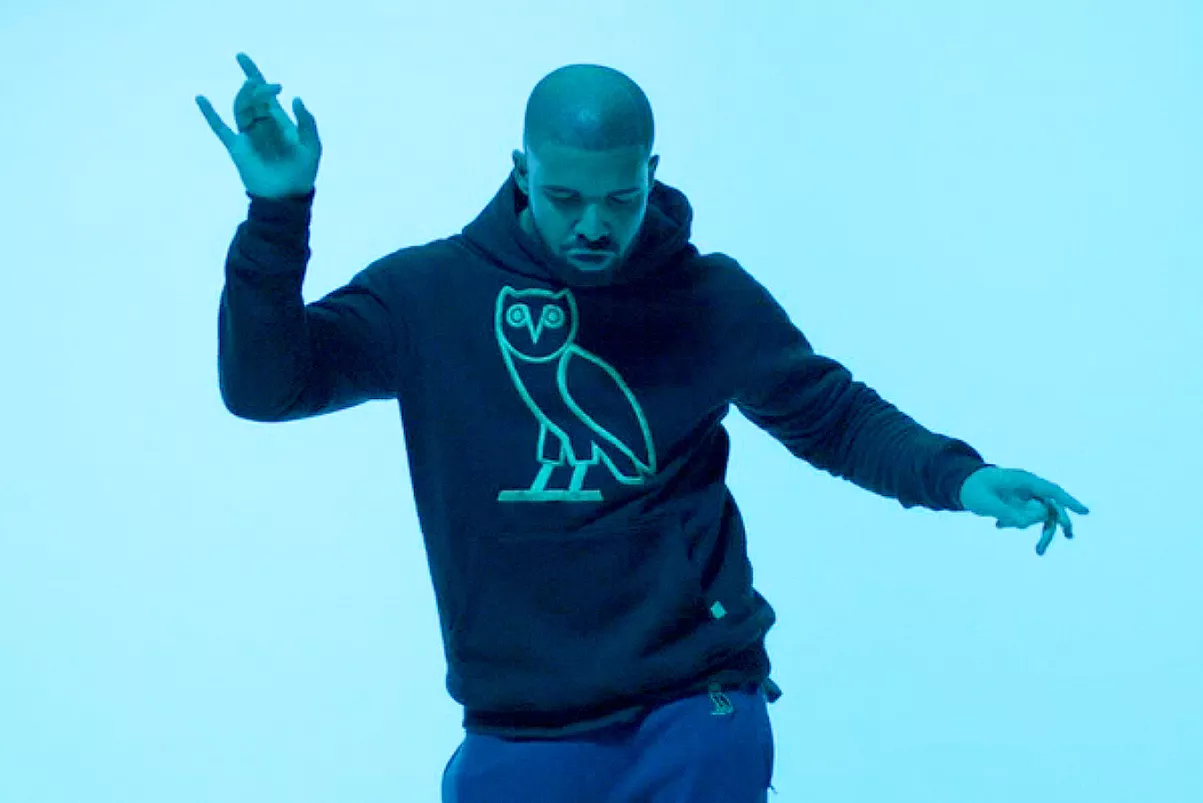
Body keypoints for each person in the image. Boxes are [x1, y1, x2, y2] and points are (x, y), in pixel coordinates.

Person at [196, 53, 1090, 803]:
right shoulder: (428, 297)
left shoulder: (703, 297)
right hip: (517, 724)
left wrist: (959, 477)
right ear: (520, 171)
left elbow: (830, 414)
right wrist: (278, 211)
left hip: (694, 707)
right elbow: (270, 386)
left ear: (650, 174)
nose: (594, 225)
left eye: (619, 199)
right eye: (565, 197)